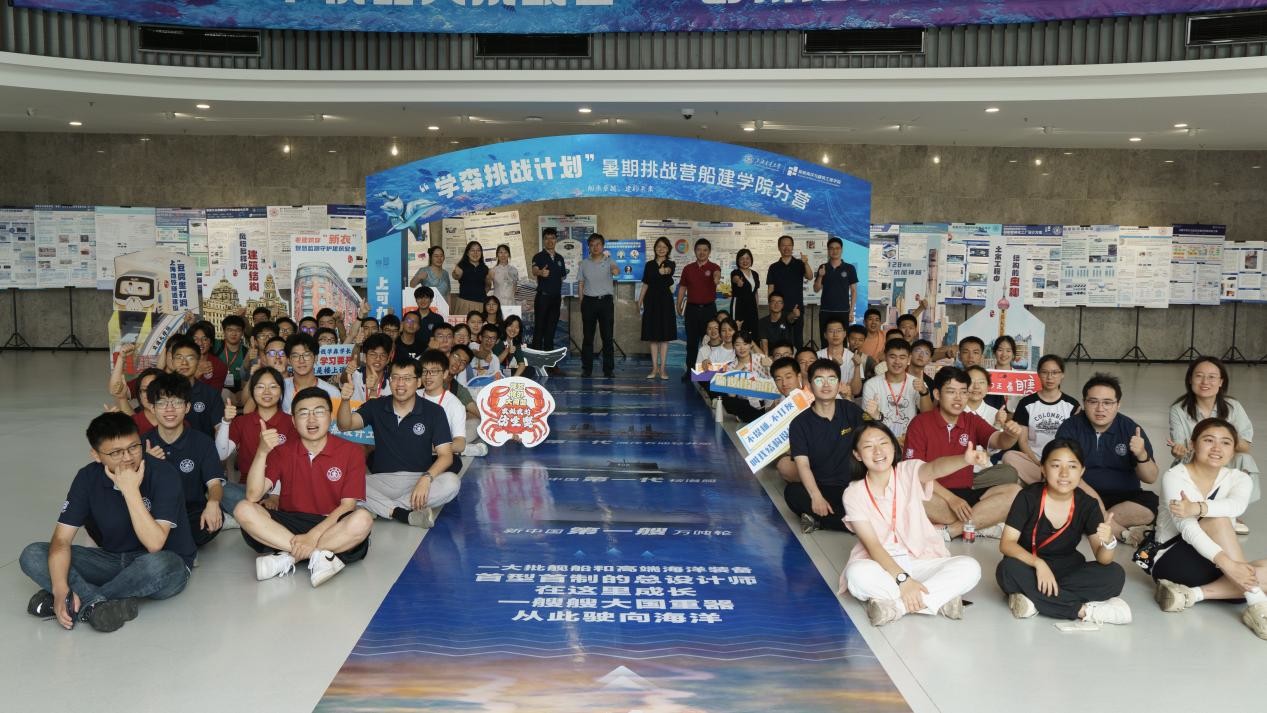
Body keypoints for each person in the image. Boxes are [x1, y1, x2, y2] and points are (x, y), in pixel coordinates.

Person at [20, 412, 194, 632]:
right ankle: (96, 604)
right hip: (112, 561)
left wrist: (130, 491)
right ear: (96, 455)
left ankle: (84, 601)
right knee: (33, 554)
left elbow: (154, 544)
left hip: (164, 564)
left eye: (134, 447)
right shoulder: (87, 478)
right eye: (116, 453)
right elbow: (61, 540)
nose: (128, 458)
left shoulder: (163, 473)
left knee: (159, 564)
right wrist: (60, 588)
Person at [841, 422, 987, 626]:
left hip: (922, 558)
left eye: (883, 443)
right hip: (881, 564)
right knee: (856, 575)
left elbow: (934, 468)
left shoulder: (907, 471)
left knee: (970, 567)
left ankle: (896, 608)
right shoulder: (853, 493)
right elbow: (872, 546)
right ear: (857, 455)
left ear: (893, 446)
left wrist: (964, 460)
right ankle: (937, 598)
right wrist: (903, 580)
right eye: (868, 446)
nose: (878, 451)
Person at [237, 387, 372, 588]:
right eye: (303, 413)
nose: (311, 419)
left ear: (330, 416)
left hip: (331, 524)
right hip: (290, 522)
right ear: (293, 421)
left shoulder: (352, 451)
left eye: (319, 411)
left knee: (363, 519)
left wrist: (312, 537)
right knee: (243, 509)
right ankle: (320, 555)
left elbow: (347, 506)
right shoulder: (282, 452)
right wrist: (262, 452)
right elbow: (253, 495)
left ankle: (289, 557)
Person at [1150, 418, 1267, 638]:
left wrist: (1197, 507)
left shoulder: (1239, 478)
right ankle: (1256, 600)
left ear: (1233, 450)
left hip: (1217, 562)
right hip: (1174, 559)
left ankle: (1191, 595)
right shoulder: (1175, 476)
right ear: (1193, 444)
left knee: (1253, 568)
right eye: (1209, 440)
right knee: (1218, 520)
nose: (1217, 448)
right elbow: (1188, 530)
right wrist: (1229, 565)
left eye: (1225, 442)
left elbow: (1237, 506)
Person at [996, 439, 1131, 624]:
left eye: (1072, 466)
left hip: (1068, 569)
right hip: (1028, 565)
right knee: (1007, 570)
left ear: (1082, 471)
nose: (1064, 473)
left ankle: (1034, 599)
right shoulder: (1028, 497)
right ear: (1043, 469)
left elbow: (1103, 559)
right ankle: (1083, 611)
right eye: (1056, 465)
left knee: (1115, 574)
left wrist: (1109, 542)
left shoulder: (1088, 505)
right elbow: (1006, 544)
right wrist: (1039, 564)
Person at [334, 356, 457, 530]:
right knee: (342, 481)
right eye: (395, 378)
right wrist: (345, 400)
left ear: (418, 382)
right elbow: (344, 425)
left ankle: (378, 508)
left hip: (418, 478)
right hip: (381, 481)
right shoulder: (376, 406)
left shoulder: (434, 412)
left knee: (452, 482)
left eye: (407, 378)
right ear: (389, 381)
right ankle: (401, 513)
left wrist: (426, 478)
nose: (400, 384)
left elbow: (446, 456)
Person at [905, 367, 1022, 540]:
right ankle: (980, 522)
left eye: (963, 392)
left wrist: (1010, 435)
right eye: (951, 392)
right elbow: (914, 472)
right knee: (909, 493)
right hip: (934, 495)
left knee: (1015, 493)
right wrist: (951, 499)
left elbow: (998, 441)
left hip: (965, 494)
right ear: (937, 394)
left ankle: (951, 530)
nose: (958, 398)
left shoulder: (971, 420)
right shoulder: (920, 423)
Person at [1054, 373, 1159, 542]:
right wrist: (1094, 503)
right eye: (1093, 401)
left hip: (1124, 497)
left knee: (1152, 506)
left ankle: (1089, 522)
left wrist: (1142, 455)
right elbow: (1063, 472)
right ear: (1084, 403)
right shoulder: (1070, 427)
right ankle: (1119, 531)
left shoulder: (1130, 428)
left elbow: (1151, 478)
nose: (1100, 408)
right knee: (1066, 491)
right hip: (1080, 494)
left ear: (1118, 404)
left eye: (1107, 402)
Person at [141, 373, 238, 546]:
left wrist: (213, 503)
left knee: (210, 523)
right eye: (162, 403)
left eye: (177, 402)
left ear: (187, 407)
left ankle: (162, 542)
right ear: (152, 408)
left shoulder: (203, 442)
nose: (169, 409)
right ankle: (173, 542)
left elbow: (214, 484)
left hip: (189, 512)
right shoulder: (141, 443)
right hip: (151, 512)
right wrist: (147, 465)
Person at [1168, 357, 1258, 534]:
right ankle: (1201, 509)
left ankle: (1232, 510)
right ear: (1190, 379)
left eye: (1212, 377)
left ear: (1221, 382)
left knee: (1244, 459)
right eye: (1199, 376)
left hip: (1223, 460)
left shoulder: (1233, 406)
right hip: (1194, 460)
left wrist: (1219, 442)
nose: (1205, 382)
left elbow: (1245, 445)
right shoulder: (1178, 409)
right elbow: (1180, 446)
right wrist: (1178, 451)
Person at [786, 359, 867, 533]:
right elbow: (802, 465)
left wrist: (877, 416)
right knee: (792, 493)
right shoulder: (799, 424)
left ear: (839, 384)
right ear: (809, 385)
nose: (826, 385)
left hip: (854, 485)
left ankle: (821, 522)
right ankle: (858, 525)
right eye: (819, 379)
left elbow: (872, 438)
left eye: (831, 379)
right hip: (822, 486)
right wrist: (816, 496)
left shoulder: (850, 410)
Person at [1003, 355, 1081, 484]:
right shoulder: (1026, 403)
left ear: (1062, 375)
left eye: (1055, 372)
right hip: (1034, 461)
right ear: (1038, 374)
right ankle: (1050, 482)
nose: (1050, 377)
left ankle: (1044, 482)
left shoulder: (1072, 405)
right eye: (1045, 372)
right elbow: (1023, 441)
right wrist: (1039, 464)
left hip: (1061, 463)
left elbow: (1074, 442)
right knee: (1009, 456)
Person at [218, 367, 298, 493]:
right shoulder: (242, 422)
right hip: (248, 487)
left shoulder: (292, 422)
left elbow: (294, 463)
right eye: (260, 387)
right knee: (223, 491)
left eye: (273, 387)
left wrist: (274, 496)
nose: (266, 392)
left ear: (281, 391)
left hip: (284, 488)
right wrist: (226, 422)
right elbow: (221, 454)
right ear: (252, 391)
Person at [678, 238, 721, 381]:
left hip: (709, 310)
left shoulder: (714, 267)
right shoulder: (688, 268)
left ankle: (708, 372)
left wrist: (716, 278)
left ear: (709, 252)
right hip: (692, 309)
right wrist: (678, 304)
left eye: (705, 250)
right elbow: (682, 287)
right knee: (691, 342)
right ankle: (690, 371)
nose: (702, 252)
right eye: (699, 250)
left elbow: (717, 273)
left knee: (709, 341)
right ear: (695, 251)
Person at [862, 339, 923, 441]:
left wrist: (924, 392)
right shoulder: (871, 385)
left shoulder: (916, 383)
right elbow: (866, 419)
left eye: (902, 357)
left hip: (910, 439)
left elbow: (927, 413)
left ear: (909, 359)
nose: (897, 362)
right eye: (892, 357)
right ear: (885, 357)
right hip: (881, 440)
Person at [577, 233, 619, 378]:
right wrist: (581, 302)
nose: (595, 247)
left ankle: (608, 369)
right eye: (592, 245)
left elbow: (616, 270)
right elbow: (581, 284)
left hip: (605, 302)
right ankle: (586, 369)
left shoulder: (609, 260)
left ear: (603, 246)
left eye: (598, 244)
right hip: (588, 302)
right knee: (588, 338)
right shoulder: (583, 263)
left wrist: (615, 270)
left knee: (607, 337)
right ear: (589, 247)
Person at [166, 335, 225, 438]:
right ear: (172, 361)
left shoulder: (211, 394)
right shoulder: (162, 391)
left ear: (198, 361)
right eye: (179, 358)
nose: (184, 362)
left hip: (202, 447)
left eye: (190, 358)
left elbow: (219, 428)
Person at [638, 236, 677, 380]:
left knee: (664, 338)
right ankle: (654, 368)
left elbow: (668, 270)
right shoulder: (649, 265)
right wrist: (639, 301)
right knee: (653, 337)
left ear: (668, 250)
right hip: (651, 301)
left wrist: (664, 270)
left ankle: (663, 369)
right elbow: (645, 284)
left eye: (664, 247)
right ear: (655, 248)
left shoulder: (670, 263)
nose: (661, 249)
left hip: (665, 302)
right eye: (659, 246)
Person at [766, 235, 811, 348]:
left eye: (789, 245)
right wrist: (771, 307)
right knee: (780, 340)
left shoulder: (799, 264)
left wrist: (806, 263)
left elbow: (810, 276)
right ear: (779, 247)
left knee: (798, 340)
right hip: (779, 309)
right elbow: (770, 288)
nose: (786, 248)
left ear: (792, 247)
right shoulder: (773, 267)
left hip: (796, 308)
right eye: (783, 245)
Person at [813, 237, 859, 343]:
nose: (834, 251)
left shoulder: (849, 268)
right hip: (825, 310)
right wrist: (820, 276)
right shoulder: (823, 267)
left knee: (842, 341)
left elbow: (853, 291)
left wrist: (851, 311)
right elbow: (816, 289)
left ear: (841, 250)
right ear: (828, 250)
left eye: (837, 248)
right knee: (825, 341)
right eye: (831, 248)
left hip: (843, 311)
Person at [718, 333, 770, 422]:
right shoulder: (731, 367)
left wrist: (770, 365)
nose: (742, 348)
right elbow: (731, 395)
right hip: (746, 403)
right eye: (738, 345)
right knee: (728, 400)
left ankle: (756, 416)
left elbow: (774, 380)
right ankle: (758, 417)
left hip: (765, 399)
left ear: (750, 345)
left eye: (745, 344)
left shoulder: (760, 358)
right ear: (733, 346)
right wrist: (736, 370)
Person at [281, 333, 340, 413]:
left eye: (306, 355)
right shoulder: (280, 388)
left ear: (315, 358)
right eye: (295, 356)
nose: (301, 361)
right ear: (289, 361)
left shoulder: (332, 392)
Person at [531, 228, 568, 351]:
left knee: (551, 330)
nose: (550, 241)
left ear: (556, 240)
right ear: (543, 240)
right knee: (539, 328)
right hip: (542, 298)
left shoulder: (560, 258)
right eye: (547, 238)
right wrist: (540, 272)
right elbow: (534, 270)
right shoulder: (538, 256)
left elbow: (563, 276)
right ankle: (536, 359)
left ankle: (549, 360)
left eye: (552, 238)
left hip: (556, 299)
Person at [816, 317, 862, 398]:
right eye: (831, 331)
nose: (835, 334)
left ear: (844, 334)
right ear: (825, 335)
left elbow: (856, 391)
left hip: (846, 401)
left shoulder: (853, 357)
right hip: (823, 400)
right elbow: (815, 385)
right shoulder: (817, 356)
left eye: (839, 331)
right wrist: (834, 366)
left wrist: (857, 366)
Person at [345, 333, 392, 401]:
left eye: (383, 355)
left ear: (388, 359)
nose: (378, 359)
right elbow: (344, 378)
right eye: (373, 354)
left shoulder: (392, 382)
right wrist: (347, 370)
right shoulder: (355, 374)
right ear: (364, 357)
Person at [214, 314, 249, 400]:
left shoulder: (246, 352)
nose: (234, 334)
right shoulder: (216, 345)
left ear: (242, 332)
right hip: (216, 390)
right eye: (229, 330)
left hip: (239, 393)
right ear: (224, 331)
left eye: (238, 330)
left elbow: (247, 378)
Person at [451, 241, 491, 316]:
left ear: (481, 253)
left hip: (481, 304)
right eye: (472, 250)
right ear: (467, 253)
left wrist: (489, 280)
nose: (475, 253)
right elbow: (455, 276)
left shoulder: (485, 268)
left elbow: (488, 287)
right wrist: (456, 274)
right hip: (464, 303)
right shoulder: (461, 266)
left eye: (478, 250)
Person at [189, 321, 228, 392]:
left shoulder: (219, 366)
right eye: (195, 339)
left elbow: (212, 395)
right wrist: (196, 375)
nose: (200, 343)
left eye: (205, 339)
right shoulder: (182, 362)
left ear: (211, 343)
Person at [729, 248, 760, 338]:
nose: (745, 261)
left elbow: (755, 292)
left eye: (747, 258)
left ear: (751, 260)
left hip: (752, 306)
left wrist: (757, 307)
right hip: (739, 306)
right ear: (738, 261)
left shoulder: (755, 274)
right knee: (738, 331)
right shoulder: (735, 272)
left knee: (753, 331)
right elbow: (735, 278)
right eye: (742, 259)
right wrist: (738, 281)